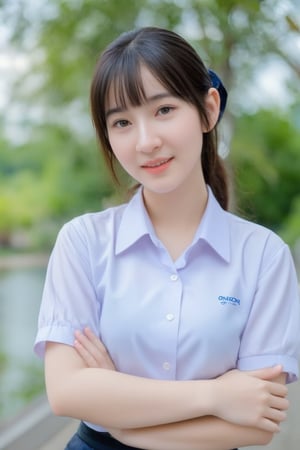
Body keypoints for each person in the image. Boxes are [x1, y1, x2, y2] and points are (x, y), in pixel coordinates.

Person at [34, 26, 300, 450]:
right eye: (122, 121)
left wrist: (120, 418)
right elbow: (67, 393)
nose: (146, 142)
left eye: (163, 110)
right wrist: (216, 395)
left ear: (208, 110)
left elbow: (256, 425)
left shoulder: (264, 256)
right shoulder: (83, 242)